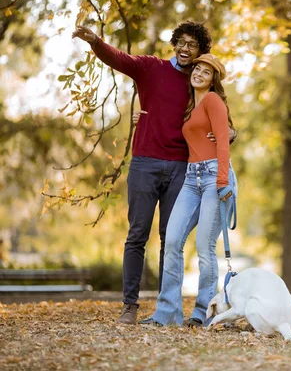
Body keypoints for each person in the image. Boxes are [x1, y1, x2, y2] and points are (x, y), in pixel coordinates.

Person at [72, 22, 236, 324]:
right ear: (174, 43)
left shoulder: (198, 84)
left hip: (182, 169)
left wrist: (230, 134)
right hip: (145, 163)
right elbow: (120, 58)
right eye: (182, 42)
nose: (186, 49)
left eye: (193, 45)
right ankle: (130, 306)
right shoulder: (151, 68)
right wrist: (95, 41)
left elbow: (221, 120)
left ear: (201, 52)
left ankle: (170, 310)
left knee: (170, 240)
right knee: (137, 235)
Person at [139, 54, 237, 327]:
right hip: (191, 179)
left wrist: (221, 182)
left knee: (205, 248)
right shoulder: (191, 106)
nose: (200, 74)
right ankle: (168, 313)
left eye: (207, 72)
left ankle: (202, 313)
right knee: (172, 241)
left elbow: (223, 144)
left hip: (213, 178)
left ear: (213, 79)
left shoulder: (213, 101)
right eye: (198, 68)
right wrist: (141, 118)